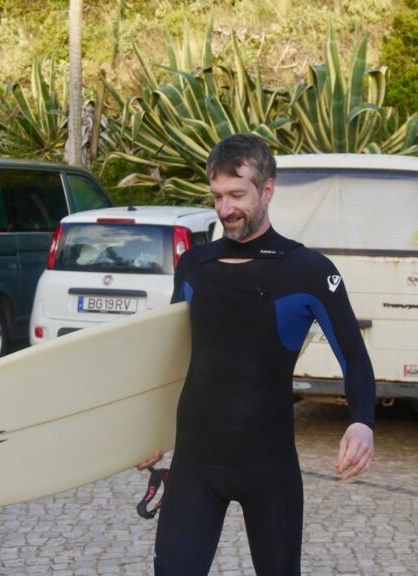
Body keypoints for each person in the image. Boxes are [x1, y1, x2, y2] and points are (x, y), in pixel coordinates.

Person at [138, 133, 375, 576]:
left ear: (267, 190)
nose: (225, 209)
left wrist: (361, 422)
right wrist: (147, 429)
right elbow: (172, 356)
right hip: (195, 463)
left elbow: (355, 358)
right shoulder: (195, 265)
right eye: (217, 197)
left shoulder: (306, 270)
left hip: (269, 467)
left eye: (237, 195)